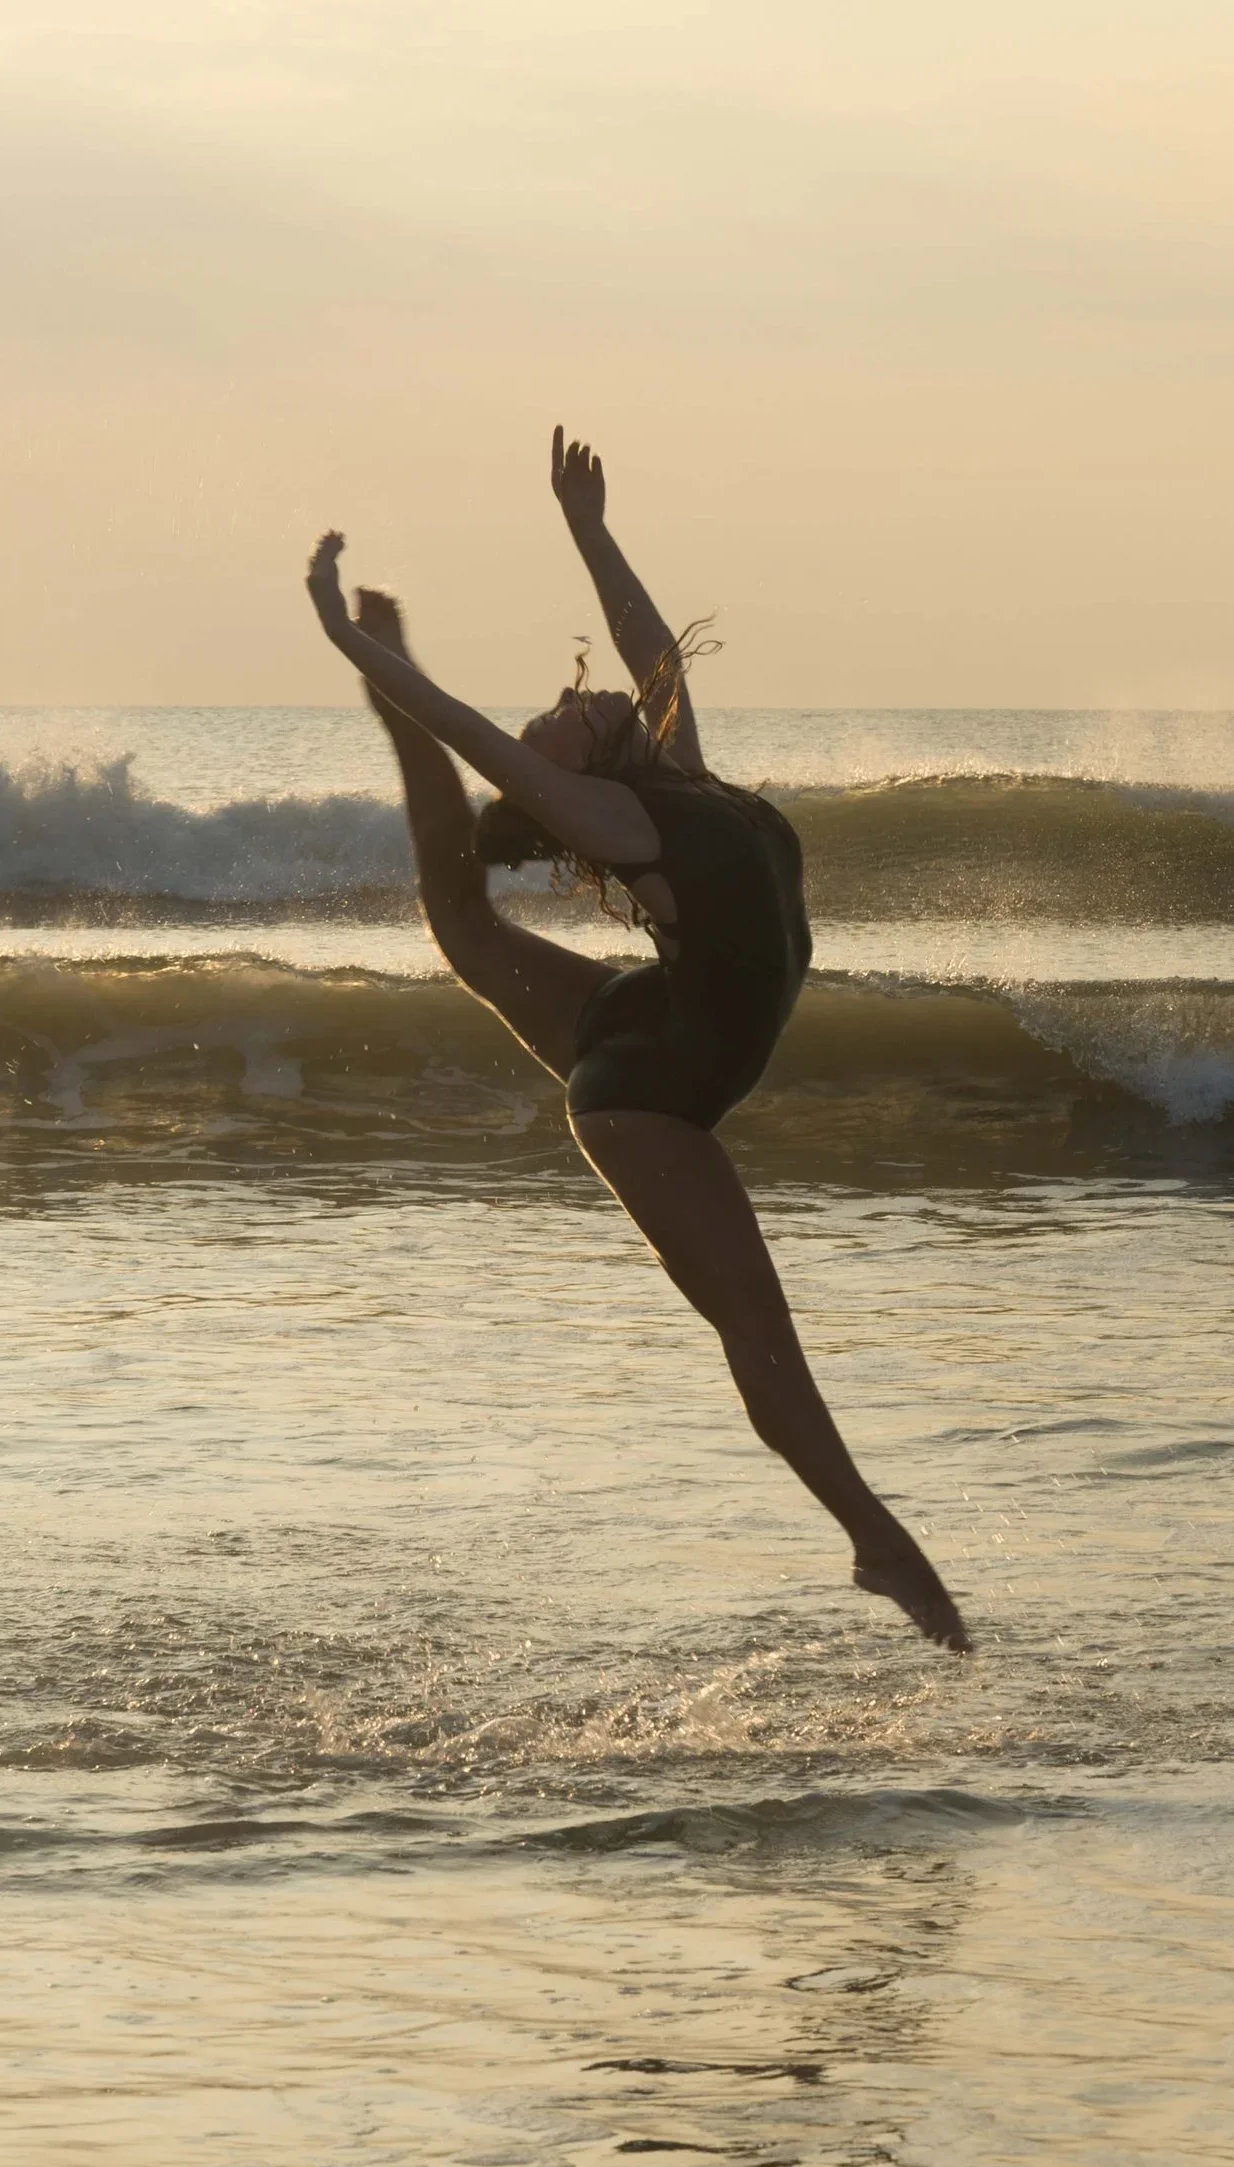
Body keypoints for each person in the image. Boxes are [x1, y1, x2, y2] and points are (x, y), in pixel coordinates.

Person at [305, 428, 970, 1652]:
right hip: (648, 1094)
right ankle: (873, 1536)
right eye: (554, 718)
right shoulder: (612, 814)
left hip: (643, 1022)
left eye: (569, 702)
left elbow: (651, 652)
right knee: (756, 1326)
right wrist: (355, 643)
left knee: (460, 920)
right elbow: (482, 738)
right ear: (558, 780)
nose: (572, 701)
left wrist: (589, 525)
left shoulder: (677, 781)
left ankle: (376, 683)